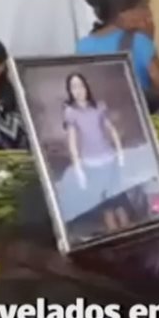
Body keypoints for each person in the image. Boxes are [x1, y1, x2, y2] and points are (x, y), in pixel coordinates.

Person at [75, 0, 159, 114]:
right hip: (136, 117)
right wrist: (149, 42)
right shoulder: (139, 41)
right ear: (123, 13)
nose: (149, 13)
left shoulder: (82, 45)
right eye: (144, 6)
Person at [57, 72, 128, 232]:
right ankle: (114, 232)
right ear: (70, 91)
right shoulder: (71, 112)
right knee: (104, 201)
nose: (78, 90)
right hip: (91, 163)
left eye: (80, 85)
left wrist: (120, 152)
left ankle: (129, 229)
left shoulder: (99, 106)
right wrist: (78, 168)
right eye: (73, 87)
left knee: (119, 197)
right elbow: (72, 142)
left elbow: (111, 129)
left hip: (109, 158)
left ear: (86, 87)